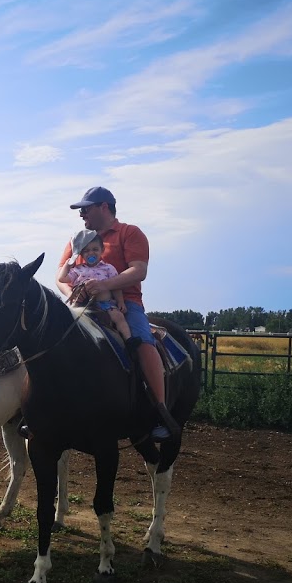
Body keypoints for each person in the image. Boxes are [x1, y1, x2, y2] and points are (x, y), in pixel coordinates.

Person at [55, 186, 178, 441]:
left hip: (124, 303)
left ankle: (160, 412)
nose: (81, 215)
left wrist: (105, 286)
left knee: (143, 343)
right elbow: (60, 276)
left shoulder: (129, 233)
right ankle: (43, 409)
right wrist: (74, 292)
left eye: (85, 209)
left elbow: (139, 270)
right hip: (80, 303)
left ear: (104, 207)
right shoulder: (77, 239)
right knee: (52, 341)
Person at [57, 231, 131, 342]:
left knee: (119, 317)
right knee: (68, 318)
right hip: (82, 305)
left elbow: (116, 287)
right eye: (86, 251)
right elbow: (62, 278)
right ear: (81, 254)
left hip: (105, 304)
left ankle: (129, 339)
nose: (91, 253)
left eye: (95, 249)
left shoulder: (108, 268)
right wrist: (68, 263)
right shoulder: (77, 270)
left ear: (102, 250)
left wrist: (120, 302)